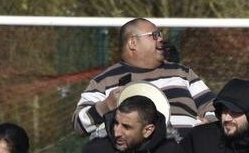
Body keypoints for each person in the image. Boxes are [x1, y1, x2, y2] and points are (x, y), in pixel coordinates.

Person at [73, 17, 216, 137]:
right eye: (154, 35)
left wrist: (208, 124)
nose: (161, 39)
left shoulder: (182, 73)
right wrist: (106, 106)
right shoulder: (104, 81)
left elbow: (214, 107)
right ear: (133, 43)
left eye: (160, 34)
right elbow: (78, 125)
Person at [78, 95, 179, 153]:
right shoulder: (96, 151)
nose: (117, 133)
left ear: (147, 130)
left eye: (126, 127)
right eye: (116, 123)